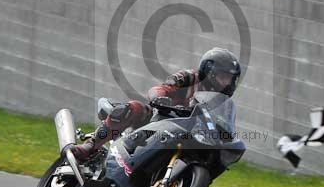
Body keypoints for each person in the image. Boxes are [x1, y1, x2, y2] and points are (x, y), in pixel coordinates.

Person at [69, 48, 242, 161]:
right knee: (136, 108)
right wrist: (160, 98)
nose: (226, 82)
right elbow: (161, 88)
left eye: (230, 78)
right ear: (209, 72)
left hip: (187, 135)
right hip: (159, 119)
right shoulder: (189, 77)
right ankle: (91, 146)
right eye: (223, 76)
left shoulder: (222, 103)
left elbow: (222, 124)